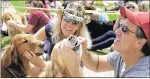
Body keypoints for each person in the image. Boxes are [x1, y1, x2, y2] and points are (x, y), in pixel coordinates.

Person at [55, 6, 150, 77]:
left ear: (140, 42)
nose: (117, 31)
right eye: (121, 25)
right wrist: (83, 50)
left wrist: (74, 69)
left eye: (124, 29)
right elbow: (97, 64)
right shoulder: (122, 55)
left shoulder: (141, 74)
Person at [23, 1, 92, 76]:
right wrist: (33, 56)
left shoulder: (80, 43)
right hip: (49, 68)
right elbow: (30, 42)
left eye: (75, 22)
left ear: (80, 26)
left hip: (64, 74)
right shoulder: (50, 28)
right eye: (67, 19)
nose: (70, 25)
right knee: (32, 68)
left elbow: (75, 74)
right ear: (61, 18)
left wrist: (42, 64)